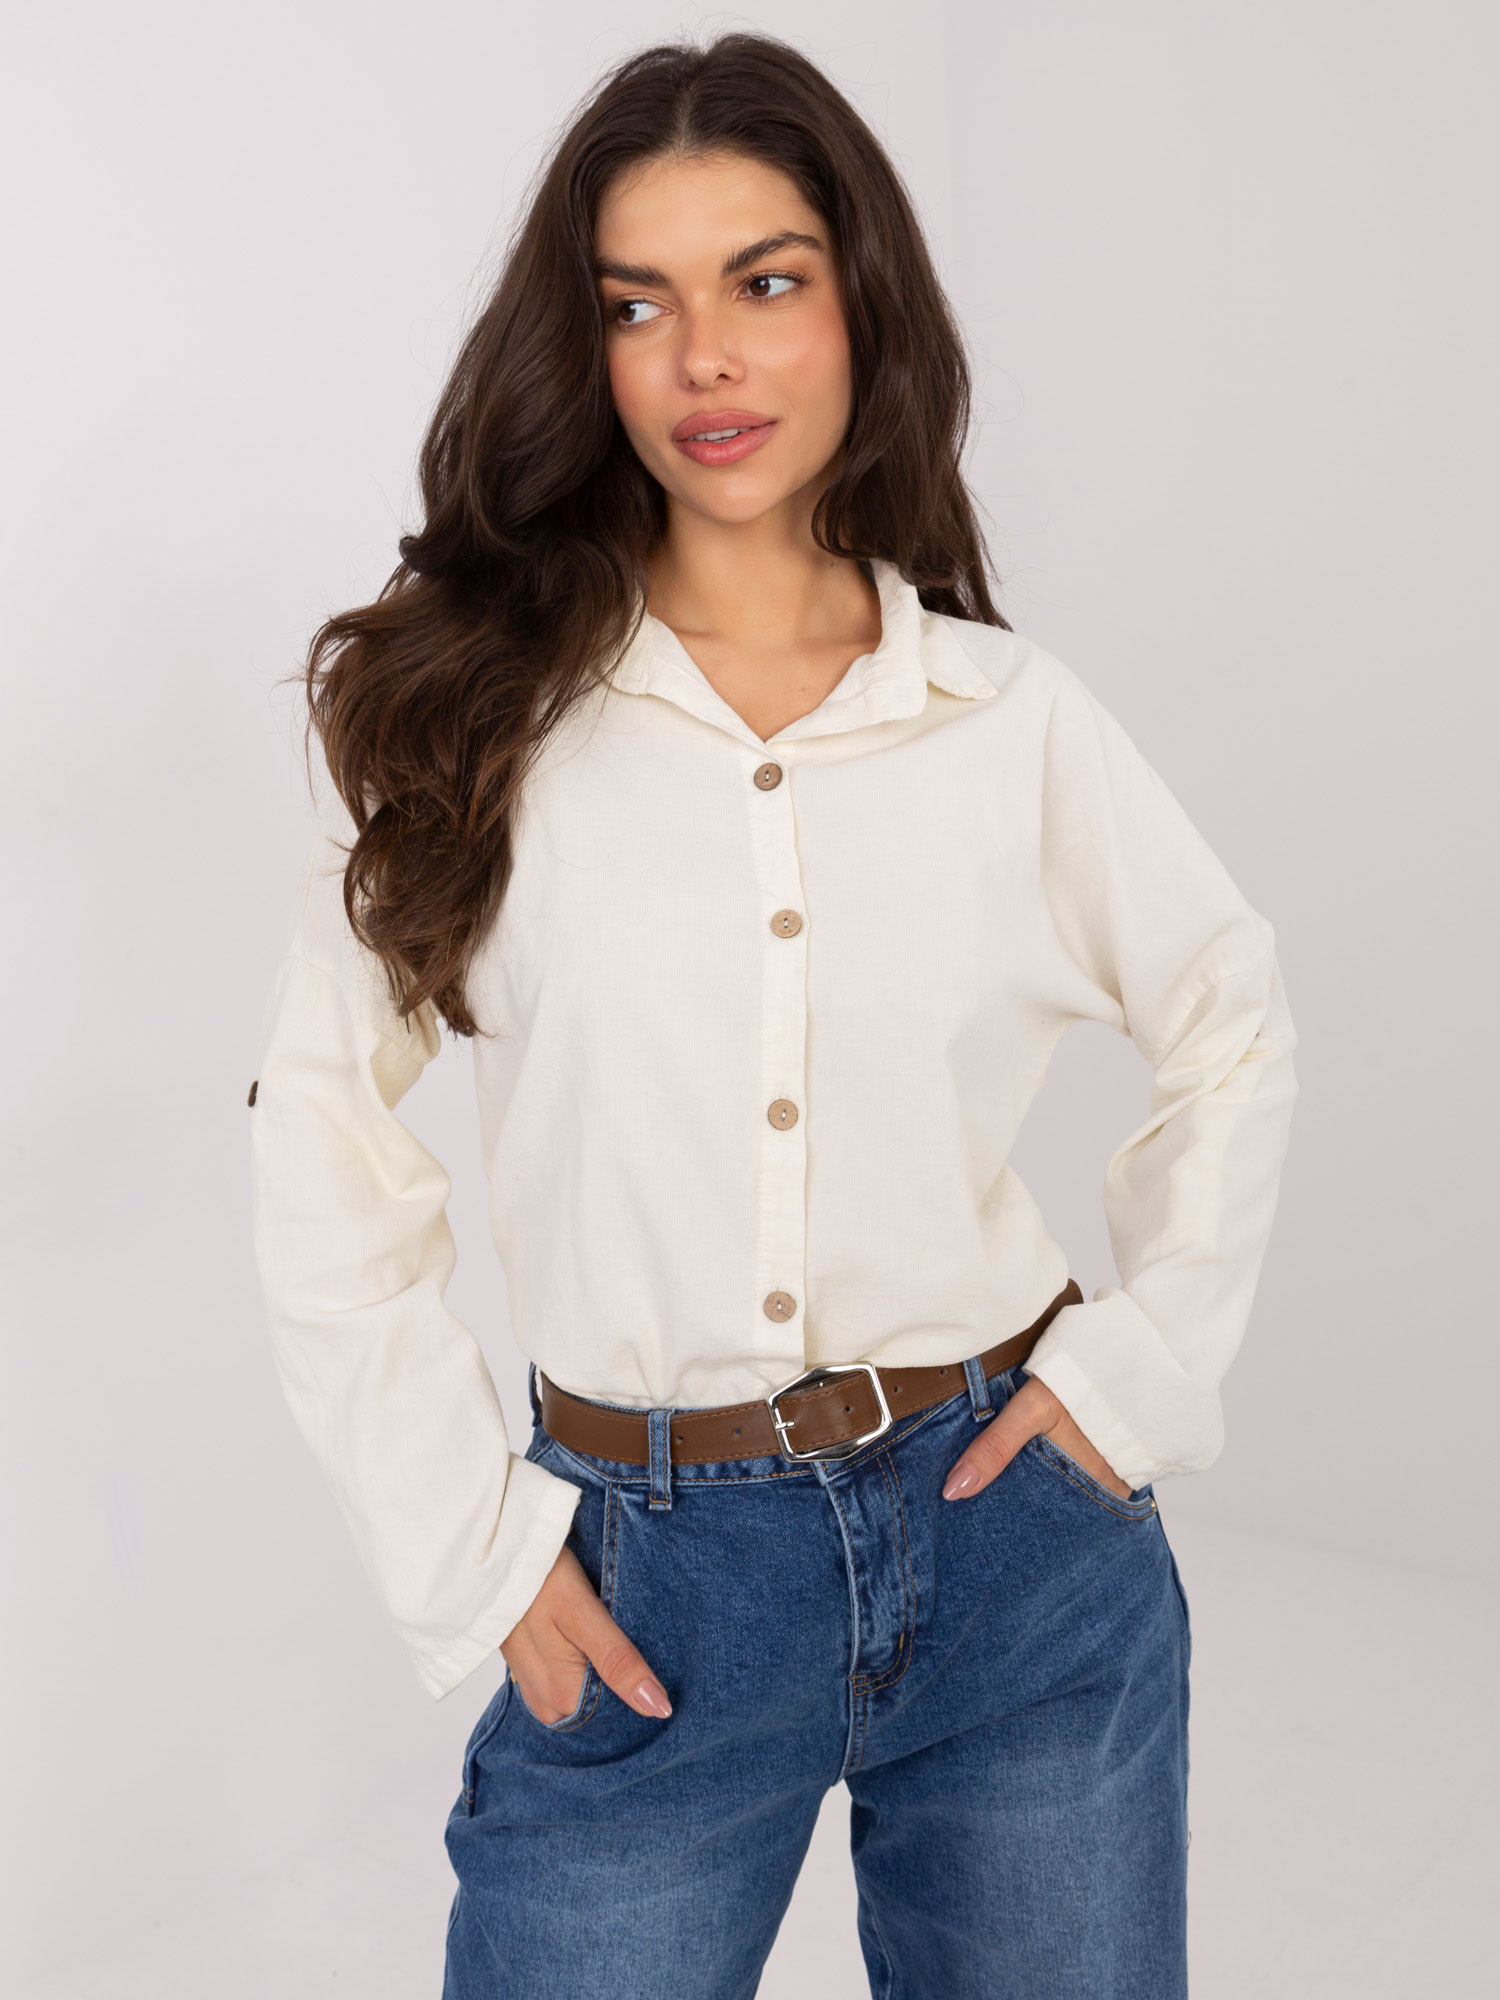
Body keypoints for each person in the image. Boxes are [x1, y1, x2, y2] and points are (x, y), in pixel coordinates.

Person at [247, 30, 1298, 1999]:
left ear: (861, 304)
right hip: (648, 1586)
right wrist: (476, 1550)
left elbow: (1229, 1008)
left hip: (1020, 1544)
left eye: (766, 281)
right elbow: (318, 1127)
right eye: (636, 303)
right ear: (582, 348)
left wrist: (1137, 1374)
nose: (705, 358)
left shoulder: (1006, 717)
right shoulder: (480, 721)